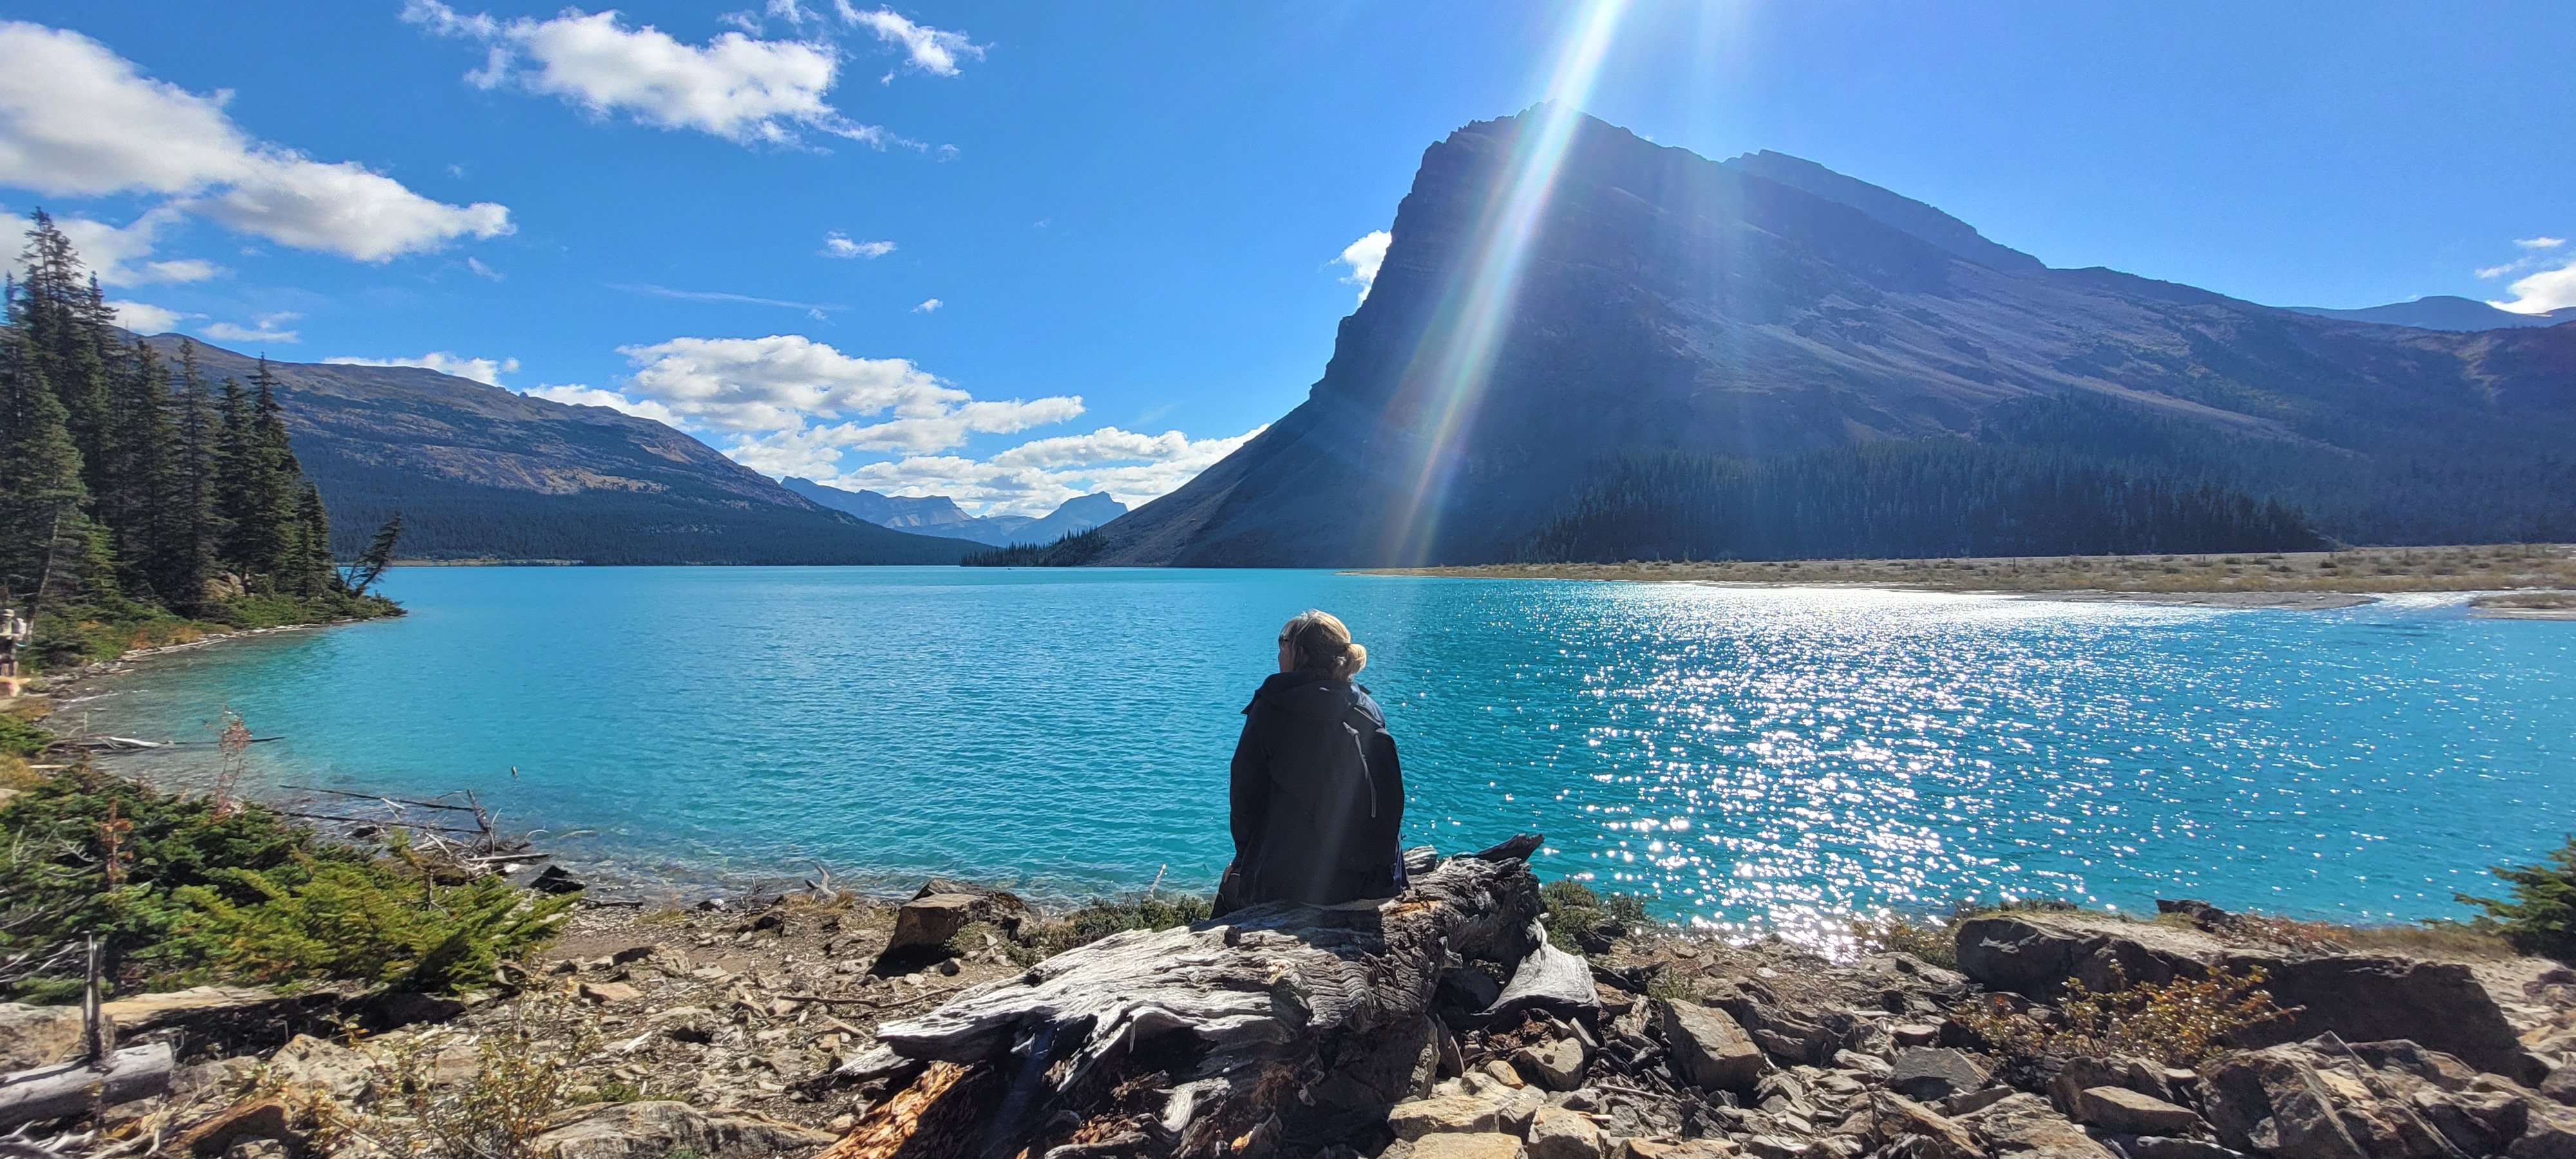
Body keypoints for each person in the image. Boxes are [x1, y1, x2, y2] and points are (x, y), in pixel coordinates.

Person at [1218, 609, 1406, 914]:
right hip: (1379, 881)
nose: (1278, 651)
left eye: (1283, 642)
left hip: (1300, 890)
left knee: (1229, 893)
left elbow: (1245, 800)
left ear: (1300, 653)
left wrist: (1242, 861)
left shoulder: (1273, 709)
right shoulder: (1367, 707)